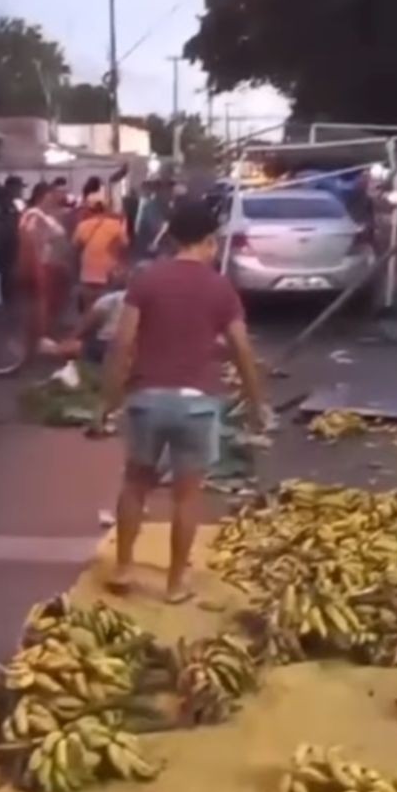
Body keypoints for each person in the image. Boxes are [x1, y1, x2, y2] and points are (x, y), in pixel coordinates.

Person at [101, 198, 266, 603]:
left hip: (147, 399)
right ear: (210, 240)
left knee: (135, 484)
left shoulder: (147, 279)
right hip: (197, 403)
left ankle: (123, 567)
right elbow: (242, 349)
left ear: (172, 237)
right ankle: (174, 585)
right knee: (187, 495)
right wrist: (256, 402)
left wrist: (107, 400)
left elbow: (122, 343)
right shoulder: (220, 286)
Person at [17, 181, 72, 356]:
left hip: (51, 265)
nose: (53, 198)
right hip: (41, 265)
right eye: (50, 195)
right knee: (39, 304)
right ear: (41, 196)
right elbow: (30, 238)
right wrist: (36, 261)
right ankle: (36, 342)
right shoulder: (34, 215)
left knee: (46, 304)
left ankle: (40, 338)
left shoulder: (45, 214)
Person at [74, 176, 129, 301]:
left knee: (89, 308)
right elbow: (124, 247)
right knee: (107, 308)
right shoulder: (116, 224)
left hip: (87, 274)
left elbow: (76, 247)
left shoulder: (82, 223)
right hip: (109, 274)